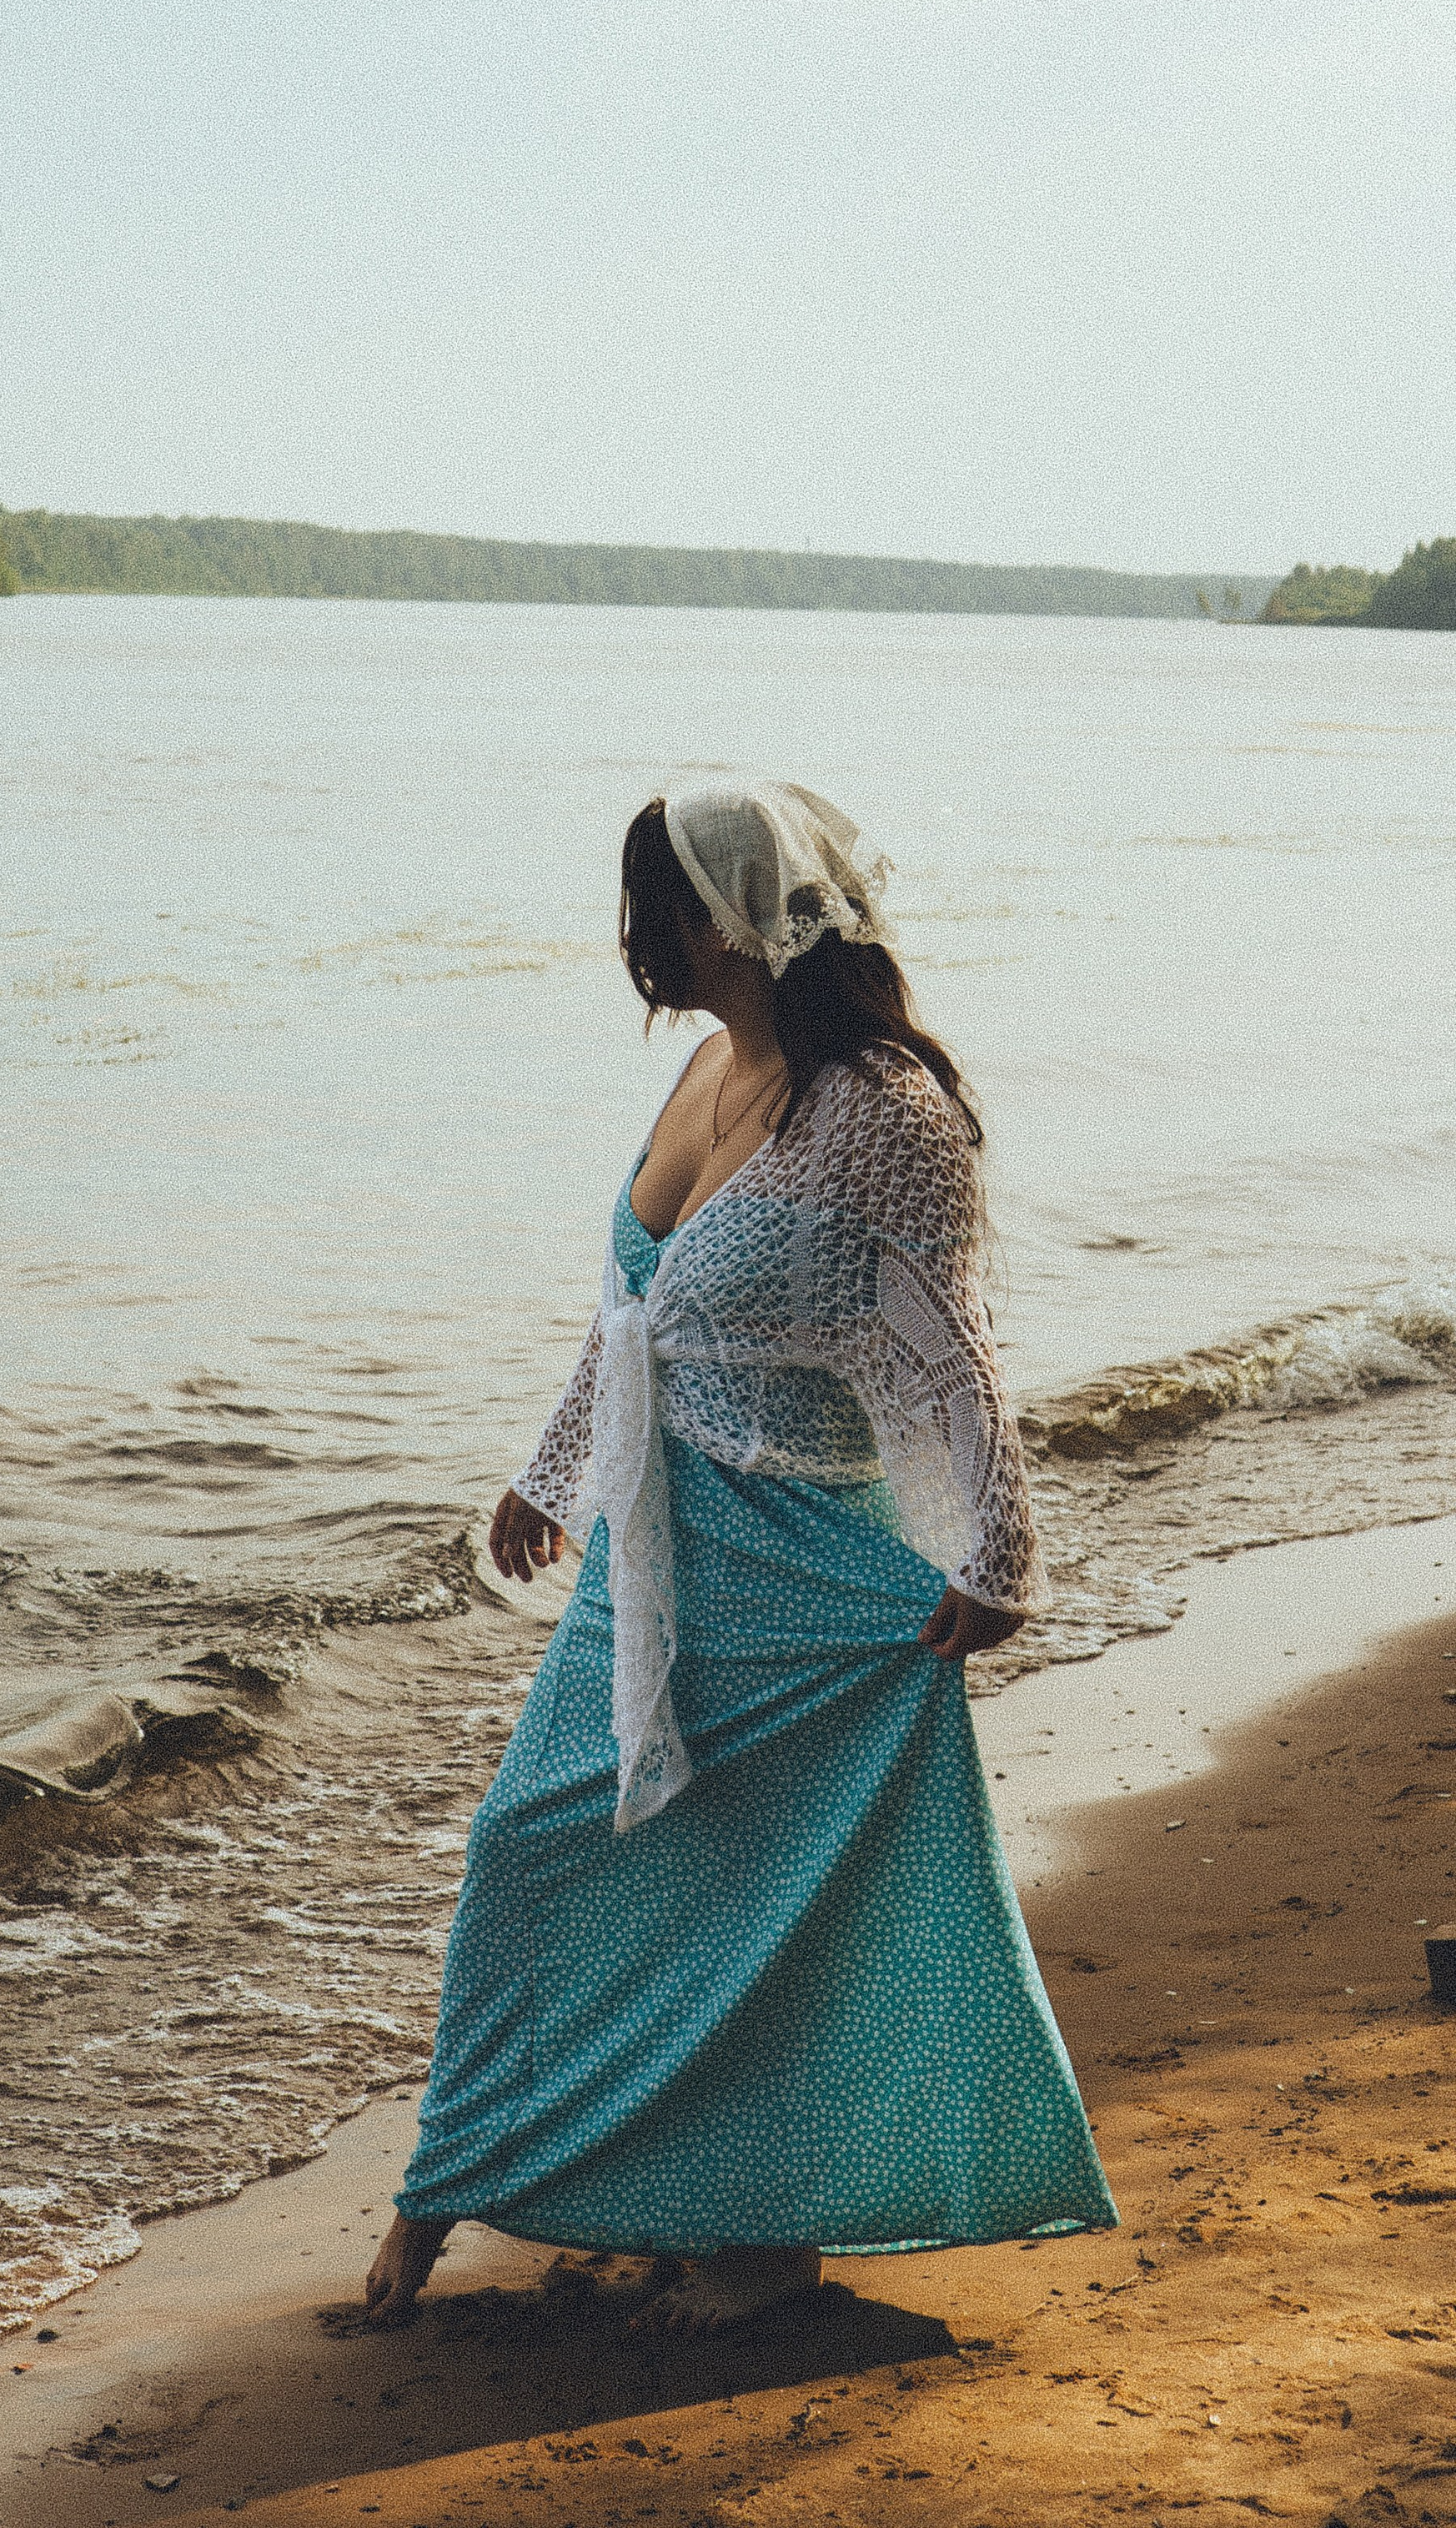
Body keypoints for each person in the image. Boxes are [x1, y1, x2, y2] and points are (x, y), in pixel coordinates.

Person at [364, 782, 1117, 2332]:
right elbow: (633, 1314)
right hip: (648, 1560)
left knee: (762, 1899)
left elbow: (955, 1352)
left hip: (795, 1572)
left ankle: (758, 2242)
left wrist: (997, 1557)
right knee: (536, 1848)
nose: (641, 938)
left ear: (740, 916)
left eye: (663, 908)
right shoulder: (712, 1068)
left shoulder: (885, 1112)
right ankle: (467, 2187)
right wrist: (551, 1469)